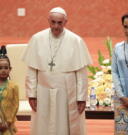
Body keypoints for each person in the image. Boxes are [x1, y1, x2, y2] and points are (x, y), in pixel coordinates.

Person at [22, 7, 92, 135]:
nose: (56, 26)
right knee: (43, 124)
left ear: (66, 22)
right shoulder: (37, 39)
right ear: (48, 20)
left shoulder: (75, 40)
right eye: (53, 22)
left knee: (65, 125)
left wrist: (81, 97)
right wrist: (32, 94)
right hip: (43, 91)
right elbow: (32, 70)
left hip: (67, 92)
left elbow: (81, 73)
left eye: (59, 23)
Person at [0, 46, 19, 135]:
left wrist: (8, 121)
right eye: (0, 68)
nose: (3, 70)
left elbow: (15, 105)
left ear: (10, 69)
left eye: (6, 68)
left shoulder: (13, 86)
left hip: (8, 122)